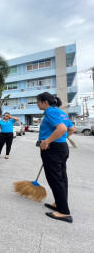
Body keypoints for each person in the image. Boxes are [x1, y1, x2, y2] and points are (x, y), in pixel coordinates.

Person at [37, 92, 76, 223]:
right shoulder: (62, 113)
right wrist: (61, 139)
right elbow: (72, 129)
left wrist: (47, 141)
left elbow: (62, 128)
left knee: (55, 179)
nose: (37, 104)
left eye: (38, 101)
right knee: (61, 177)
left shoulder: (50, 112)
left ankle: (64, 212)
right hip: (62, 148)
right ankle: (59, 203)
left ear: (45, 102)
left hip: (53, 150)